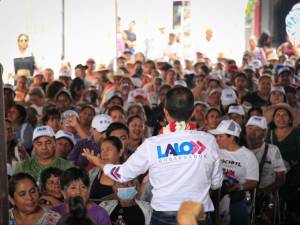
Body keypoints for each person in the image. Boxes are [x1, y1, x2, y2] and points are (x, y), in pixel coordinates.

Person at [83, 86, 223, 225]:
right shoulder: (209, 141)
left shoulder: (152, 144)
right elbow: (217, 183)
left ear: (165, 111)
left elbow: (123, 174)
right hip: (199, 216)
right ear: (192, 112)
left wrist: (100, 163)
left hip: (164, 217)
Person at [209, 120, 259, 225]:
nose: (216, 139)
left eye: (220, 136)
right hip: (214, 194)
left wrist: (239, 187)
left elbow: (253, 181)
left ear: (231, 137)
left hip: (237, 197)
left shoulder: (248, 156)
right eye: (216, 136)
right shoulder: (215, 151)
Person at [245, 116, 286, 223]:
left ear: (264, 133)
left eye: (257, 130)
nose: (252, 132)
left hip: (266, 195)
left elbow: (281, 179)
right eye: (250, 128)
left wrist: (264, 192)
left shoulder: (272, 150)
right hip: (243, 194)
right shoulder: (239, 149)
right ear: (245, 129)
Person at [89, 136, 123, 203]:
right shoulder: (93, 172)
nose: (104, 154)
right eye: (102, 150)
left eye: (109, 149)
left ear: (120, 152)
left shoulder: (127, 174)